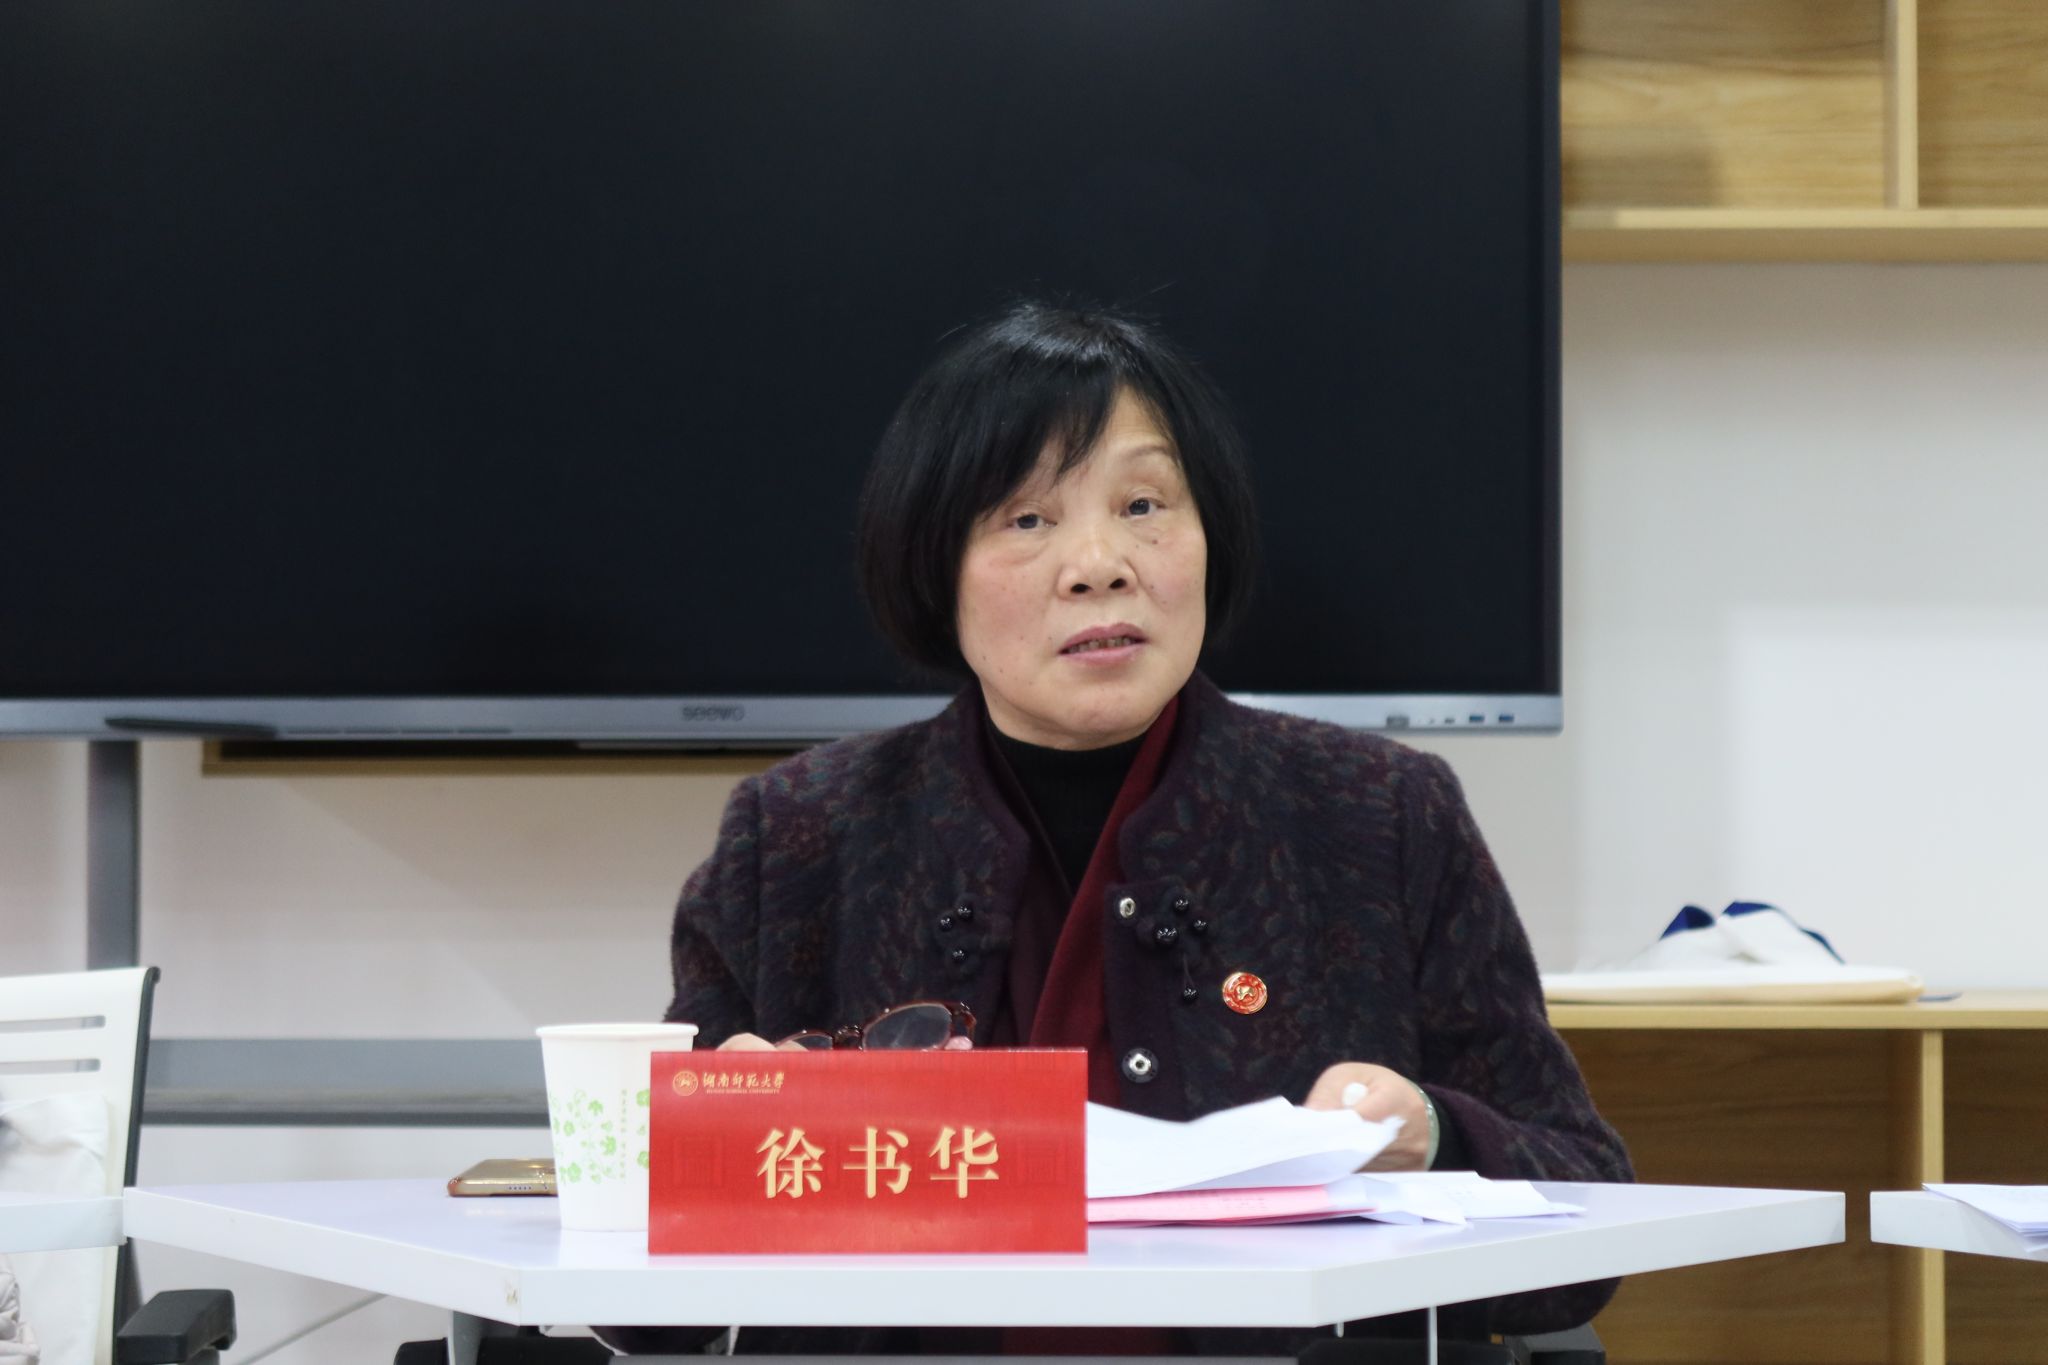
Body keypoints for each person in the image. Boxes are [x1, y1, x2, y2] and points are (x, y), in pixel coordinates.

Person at [634, 301, 1630, 1355]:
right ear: (933, 566)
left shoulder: (1381, 814)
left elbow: (1585, 1227)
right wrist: (714, 1149)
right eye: (1027, 520)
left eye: (1144, 503)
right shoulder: (797, 836)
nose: (1099, 563)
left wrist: (1431, 1134)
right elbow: (640, 1313)